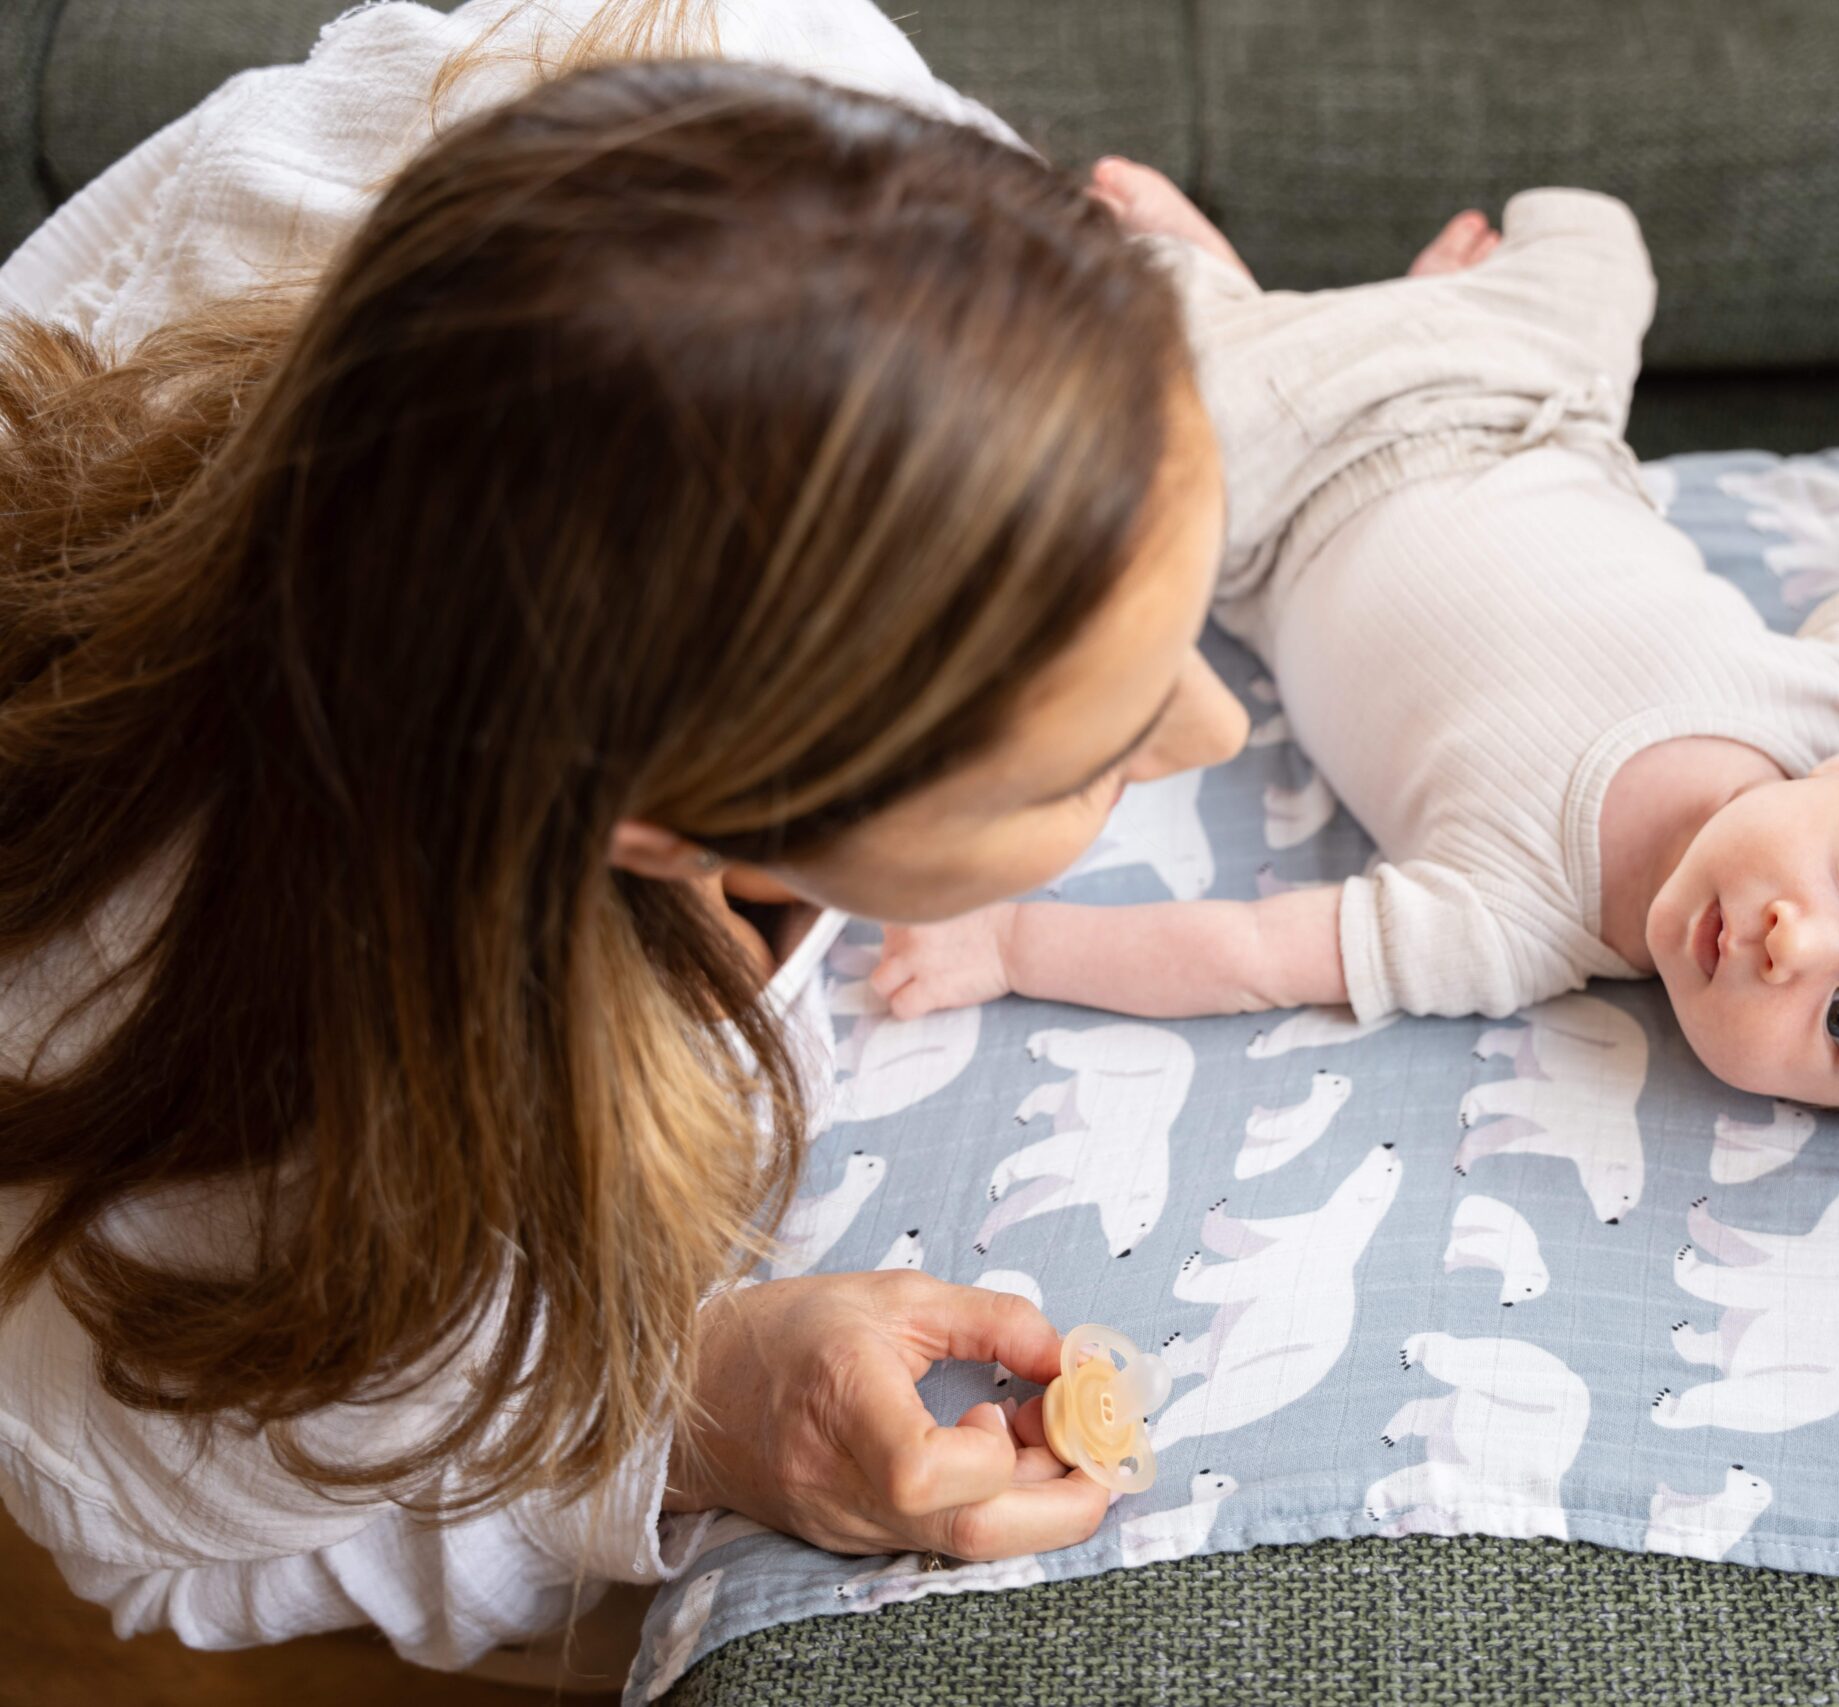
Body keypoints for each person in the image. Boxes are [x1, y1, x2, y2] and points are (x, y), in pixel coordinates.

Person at [0, 0, 1245, 1675]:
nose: (1216, 732)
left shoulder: (785, 91)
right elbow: (174, 1551)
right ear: (669, 823)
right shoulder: (259, 1144)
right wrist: (698, 1411)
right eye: (1081, 762)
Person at [874, 168, 1839, 1130]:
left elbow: (1248, 955)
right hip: (1520, 404)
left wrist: (1009, 950)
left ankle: (1223, 288)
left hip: (1272, 495)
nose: (1794, 944)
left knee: (1073, 409)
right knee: (1598, 241)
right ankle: (1365, 310)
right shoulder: (1833, 709)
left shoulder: (1511, 927)